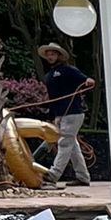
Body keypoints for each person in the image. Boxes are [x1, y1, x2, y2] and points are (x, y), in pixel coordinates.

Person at [37, 42, 95, 186]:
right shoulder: (49, 75)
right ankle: (83, 177)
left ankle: (53, 174)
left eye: (53, 54)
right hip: (61, 115)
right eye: (48, 54)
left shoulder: (68, 70)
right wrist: (52, 117)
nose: (50, 56)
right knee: (72, 146)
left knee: (64, 143)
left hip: (73, 113)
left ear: (59, 55)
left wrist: (88, 81)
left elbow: (86, 80)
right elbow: (52, 99)